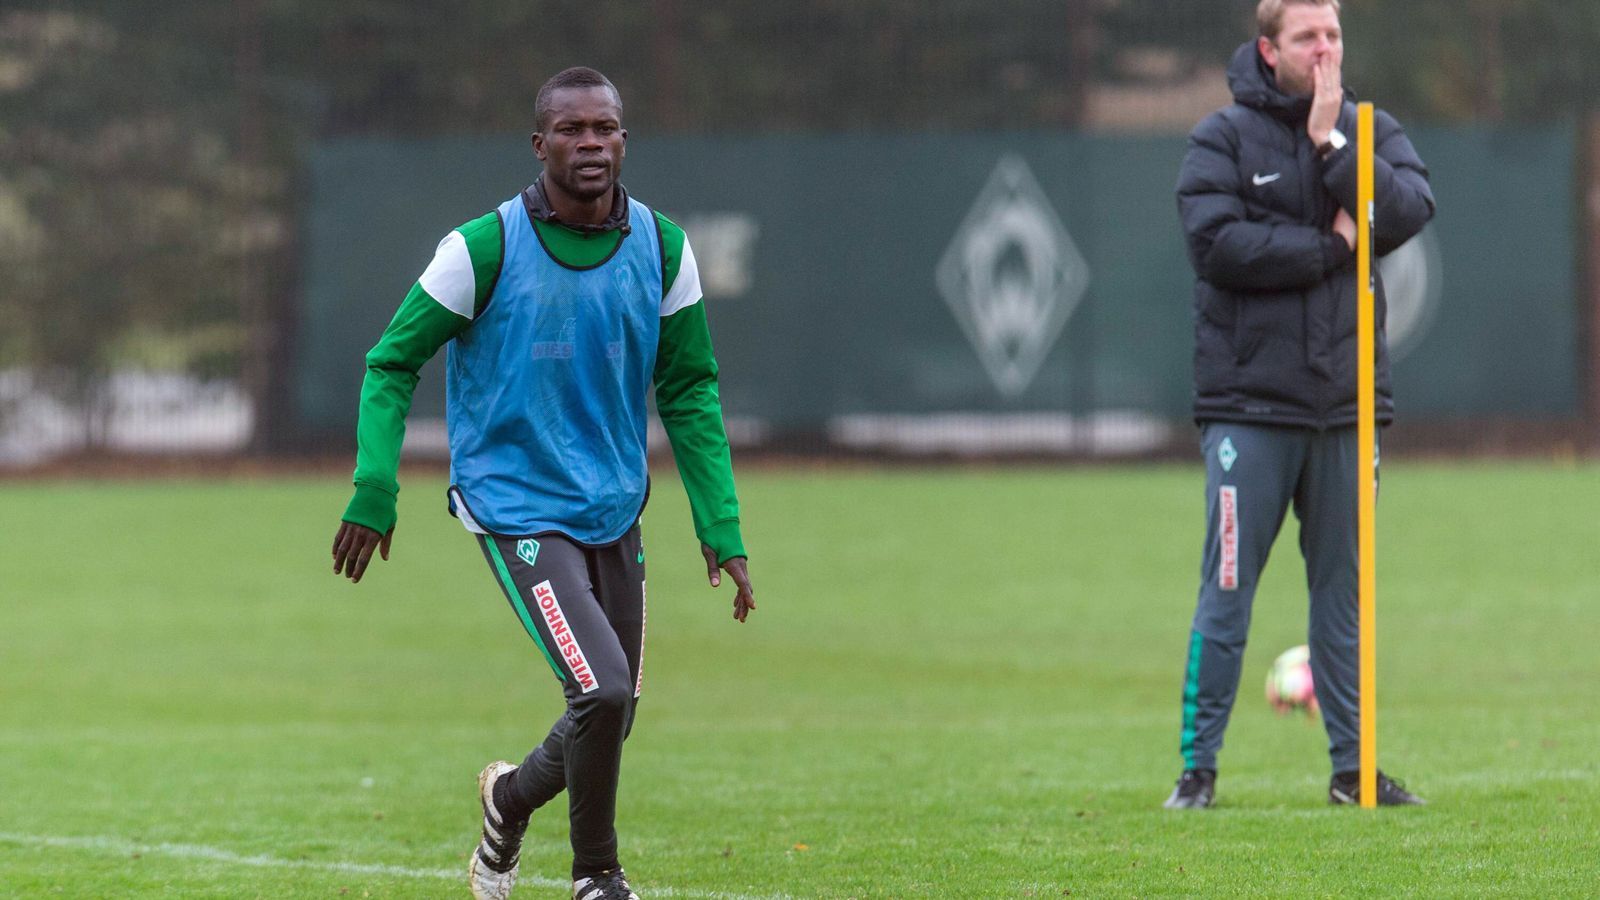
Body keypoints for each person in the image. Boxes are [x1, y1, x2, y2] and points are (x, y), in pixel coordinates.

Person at [329, 66, 756, 899]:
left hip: (612, 505)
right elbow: (390, 363)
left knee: (614, 710)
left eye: (605, 129)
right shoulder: (480, 249)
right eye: (571, 130)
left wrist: (723, 526)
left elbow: (691, 388)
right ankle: (597, 875)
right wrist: (374, 489)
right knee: (599, 689)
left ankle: (506, 799)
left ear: (623, 140)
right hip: (513, 504)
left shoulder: (665, 249)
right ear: (540, 144)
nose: (590, 143)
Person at [1164, 0, 1434, 809]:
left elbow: (1409, 207)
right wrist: (1332, 246)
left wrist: (1330, 141)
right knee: (1229, 589)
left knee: (1344, 599)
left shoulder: (1365, 128)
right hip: (1250, 411)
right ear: (1267, 48)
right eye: (1307, 37)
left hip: (1348, 410)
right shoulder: (1220, 137)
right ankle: (1197, 774)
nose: (1325, 50)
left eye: (1334, 35)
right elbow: (1218, 246)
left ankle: (1356, 773)